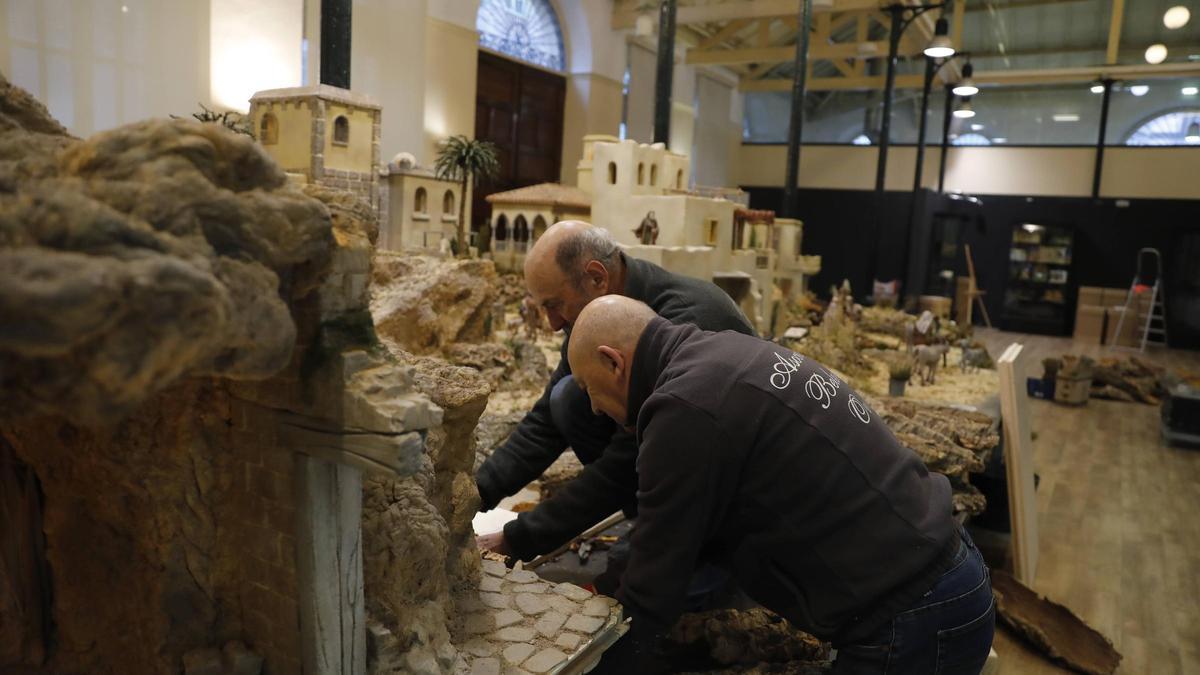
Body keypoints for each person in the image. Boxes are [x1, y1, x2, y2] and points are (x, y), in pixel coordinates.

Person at [567, 296, 994, 674]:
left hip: (915, 615)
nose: (592, 406)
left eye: (588, 388)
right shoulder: (719, 354)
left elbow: (653, 592)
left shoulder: (684, 409)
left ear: (613, 361)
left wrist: (596, 663)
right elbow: (678, 534)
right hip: (950, 574)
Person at [474, 221, 753, 566]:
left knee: (626, 570)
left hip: (740, 497)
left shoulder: (688, 320)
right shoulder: (592, 314)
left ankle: (706, 554)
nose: (552, 323)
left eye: (555, 304)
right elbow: (545, 422)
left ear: (596, 277)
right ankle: (650, 517)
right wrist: (476, 492)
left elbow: (625, 463)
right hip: (675, 463)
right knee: (569, 397)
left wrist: (518, 538)